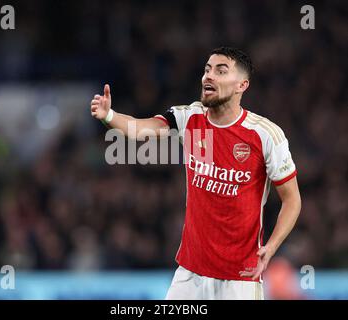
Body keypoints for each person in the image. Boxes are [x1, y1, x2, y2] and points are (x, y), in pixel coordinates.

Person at [90, 46, 302, 300]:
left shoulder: (265, 135)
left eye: (221, 71)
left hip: (240, 278)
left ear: (241, 85)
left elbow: (292, 200)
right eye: (207, 70)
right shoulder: (189, 117)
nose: (209, 76)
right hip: (189, 275)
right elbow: (141, 129)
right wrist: (109, 115)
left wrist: (272, 246)